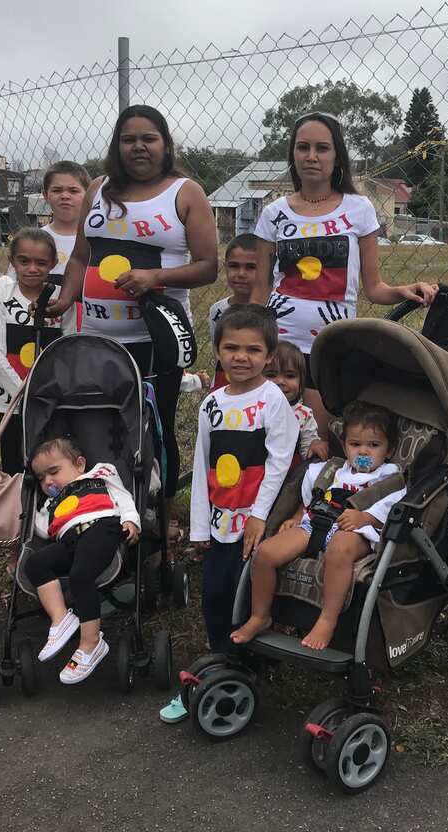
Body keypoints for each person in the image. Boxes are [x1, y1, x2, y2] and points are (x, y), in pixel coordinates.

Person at [49, 105, 218, 538]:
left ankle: (158, 523)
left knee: (154, 426)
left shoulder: (185, 192)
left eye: (149, 138)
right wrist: (63, 298)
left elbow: (208, 266)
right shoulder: (99, 188)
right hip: (97, 338)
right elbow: (83, 256)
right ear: (117, 145)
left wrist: (154, 278)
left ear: (165, 145)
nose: (139, 147)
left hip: (154, 338)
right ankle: (104, 513)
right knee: (98, 427)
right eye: (129, 139)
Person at [251, 111, 437, 431]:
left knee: (322, 445)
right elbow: (259, 293)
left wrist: (402, 290)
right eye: (302, 147)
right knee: (271, 445)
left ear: (337, 156)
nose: (311, 156)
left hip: (330, 347)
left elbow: (374, 288)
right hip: (279, 349)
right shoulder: (273, 214)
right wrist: (251, 344)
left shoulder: (359, 208)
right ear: (292, 154)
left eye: (322, 148)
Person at [158, 305, 296, 723]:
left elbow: (279, 463)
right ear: (217, 350)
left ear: (269, 356)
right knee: (215, 594)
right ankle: (221, 663)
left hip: (257, 526)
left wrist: (259, 516)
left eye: (253, 349)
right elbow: (203, 466)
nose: (241, 357)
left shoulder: (272, 402)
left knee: (248, 596)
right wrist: (200, 525)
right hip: (220, 524)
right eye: (231, 347)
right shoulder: (212, 404)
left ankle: (246, 666)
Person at [232, 402, 405, 651]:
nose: (363, 452)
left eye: (374, 445)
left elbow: (394, 504)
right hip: (316, 523)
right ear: (345, 446)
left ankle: (327, 619)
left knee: (339, 549)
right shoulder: (332, 469)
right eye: (355, 445)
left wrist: (366, 518)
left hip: (354, 531)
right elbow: (312, 496)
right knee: (266, 553)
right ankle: (260, 615)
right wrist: (296, 515)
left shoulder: (389, 476)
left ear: (388, 451)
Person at [0, 228, 75, 480]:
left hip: (49, 397)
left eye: (41, 262)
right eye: (24, 261)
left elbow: (68, 347)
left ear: (54, 263)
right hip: (12, 399)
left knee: (52, 462)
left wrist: (46, 390)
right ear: (12, 261)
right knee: (15, 463)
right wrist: (23, 393)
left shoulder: (60, 299)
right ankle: (16, 515)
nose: (32, 268)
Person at [26, 437, 141, 684]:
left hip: (101, 528)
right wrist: (26, 512)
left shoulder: (100, 473)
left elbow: (123, 498)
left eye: (53, 472)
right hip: (69, 541)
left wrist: (130, 520)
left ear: (79, 464)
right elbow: (45, 531)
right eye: (41, 478)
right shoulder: (49, 503)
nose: (48, 482)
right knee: (34, 564)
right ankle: (61, 619)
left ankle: (91, 643)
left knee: (81, 575)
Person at [207, 233, 260, 390]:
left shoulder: (273, 310)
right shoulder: (217, 311)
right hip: (226, 384)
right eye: (234, 266)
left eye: (251, 267)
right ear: (225, 266)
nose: (241, 274)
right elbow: (219, 356)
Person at [263, 339, 329, 463]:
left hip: (289, 473)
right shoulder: (251, 407)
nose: (280, 381)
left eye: (290, 376)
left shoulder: (302, 415)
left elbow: (307, 446)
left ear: (301, 383)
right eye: (271, 375)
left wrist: (314, 445)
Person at [37, 161, 90, 290]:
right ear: (45, 195)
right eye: (57, 190)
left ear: (89, 195)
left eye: (73, 191)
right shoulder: (34, 240)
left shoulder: (96, 240)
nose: (65, 196)